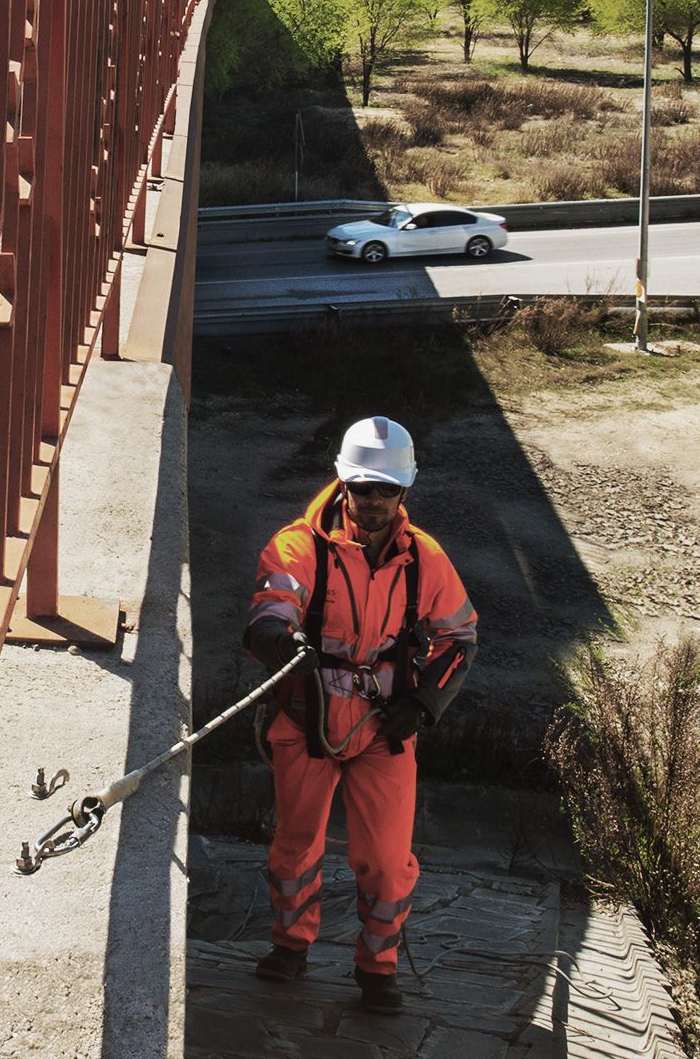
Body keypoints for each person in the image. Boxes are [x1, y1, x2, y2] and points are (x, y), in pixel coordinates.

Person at [241, 416, 478, 1015]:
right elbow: (272, 603)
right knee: (296, 845)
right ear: (344, 482)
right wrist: (280, 638)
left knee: (387, 859)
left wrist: (424, 703)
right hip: (307, 717)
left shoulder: (423, 560)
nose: (373, 501)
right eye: (364, 488)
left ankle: (378, 969)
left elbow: (460, 636)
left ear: (404, 493)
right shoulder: (299, 546)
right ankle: (291, 948)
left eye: (386, 490)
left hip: (382, 727)